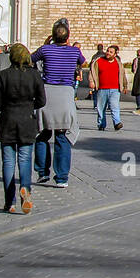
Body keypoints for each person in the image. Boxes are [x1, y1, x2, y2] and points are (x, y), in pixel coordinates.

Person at [0, 43, 44, 214]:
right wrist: (29, 105)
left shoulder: (3, 75)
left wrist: (8, 106)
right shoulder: (34, 75)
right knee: (25, 159)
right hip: (27, 121)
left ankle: (9, 202)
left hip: (8, 120)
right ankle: (25, 190)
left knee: (8, 162)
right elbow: (42, 101)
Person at [30, 19, 83, 188]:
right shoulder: (74, 52)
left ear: (52, 36)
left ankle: (42, 172)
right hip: (65, 95)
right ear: (68, 38)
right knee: (62, 136)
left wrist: (46, 44)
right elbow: (82, 61)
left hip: (47, 93)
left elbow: (31, 58)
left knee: (42, 134)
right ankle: (61, 177)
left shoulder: (45, 49)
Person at [89, 45, 127, 131]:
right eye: (107, 51)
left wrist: (125, 85)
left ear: (115, 54)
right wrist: (91, 81)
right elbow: (92, 72)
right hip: (102, 89)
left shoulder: (118, 63)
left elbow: (122, 75)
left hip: (115, 89)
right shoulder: (98, 61)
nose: (108, 53)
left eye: (111, 52)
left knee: (114, 107)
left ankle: (117, 123)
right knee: (101, 108)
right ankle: (101, 124)